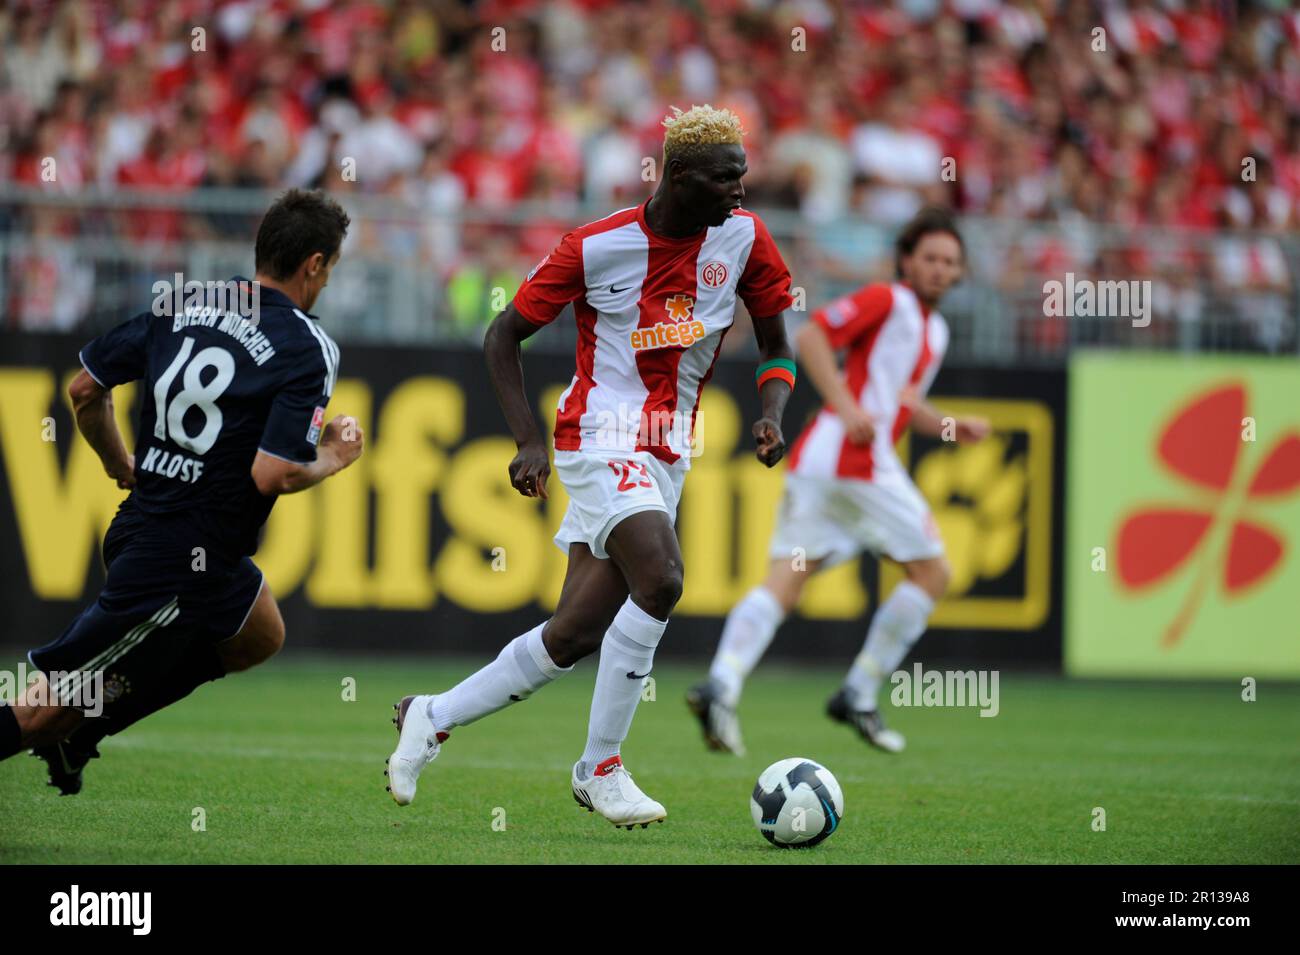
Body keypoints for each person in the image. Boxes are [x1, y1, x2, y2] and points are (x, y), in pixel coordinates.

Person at [387, 105, 797, 828]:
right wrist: (526, 439)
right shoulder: (596, 245)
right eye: (725, 177)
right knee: (664, 577)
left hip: (671, 448)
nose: (740, 190)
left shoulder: (745, 239)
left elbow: (776, 343)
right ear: (677, 175)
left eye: (743, 175)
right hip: (598, 433)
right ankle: (600, 767)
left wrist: (771, 414)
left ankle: (431, 714)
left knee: (573, 633)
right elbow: (502, 333)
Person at [0, 189, 364, 794]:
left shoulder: (187, 302)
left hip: (159, 532)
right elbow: (273, 474)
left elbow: (85, 388)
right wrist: (333, 456)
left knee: (260, 633)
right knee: (45, 708)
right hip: (175, 562)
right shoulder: (307, 345)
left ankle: (84, 731)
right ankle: (75, 726)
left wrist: (122, 465)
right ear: (316, 264)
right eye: (331, 269)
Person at [689, 207, 990, 755]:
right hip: (857, 462)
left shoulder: (935, 329)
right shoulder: (888, 299)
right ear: (906, 260)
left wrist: (948, 424)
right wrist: (848, 407)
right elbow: (811, 338)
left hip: (820, 464)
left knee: (787, 578)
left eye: (950, 262)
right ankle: (859, 690)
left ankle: (722, 683)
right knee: (934, 572)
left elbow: (902, 399)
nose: (941, 269)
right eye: (930, 258)